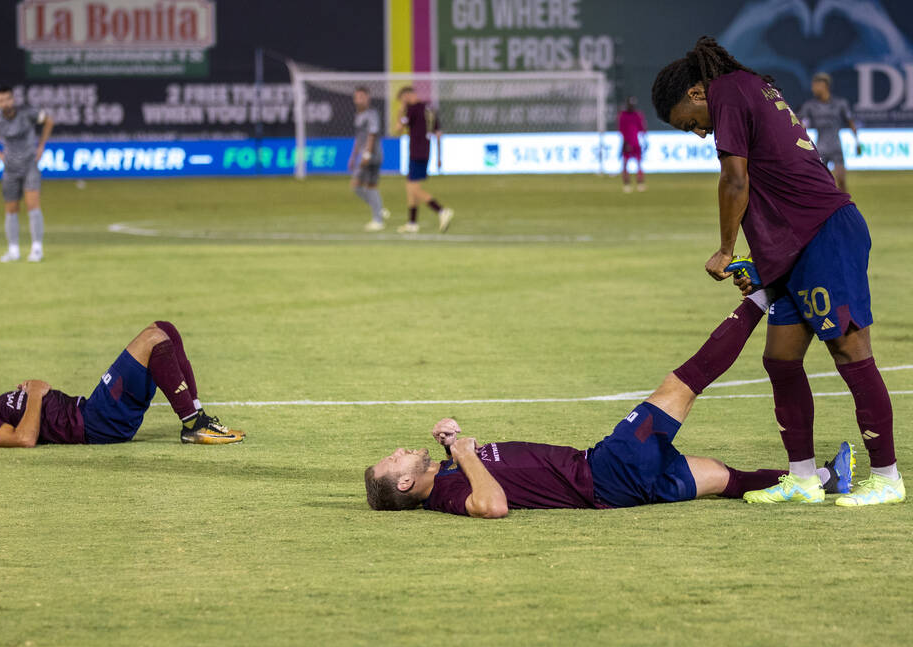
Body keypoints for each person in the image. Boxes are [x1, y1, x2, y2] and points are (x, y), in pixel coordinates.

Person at [650, 36, 902, 506]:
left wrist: (726, 249)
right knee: (780, 359)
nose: (699, 135)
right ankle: (804, 478)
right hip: (796, 238)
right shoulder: (749, 87)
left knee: (850, 351)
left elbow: (735, 179)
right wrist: (762, 261)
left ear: (695, 93)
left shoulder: (727, 92)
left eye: (690, 125)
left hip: (824, 232)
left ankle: (887, 478)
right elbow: (772, 183)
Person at [365, 285, 857, 516]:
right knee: (684, 381)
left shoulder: (451, 471)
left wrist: (455, 444)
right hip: (608, 469)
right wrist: (467, 452)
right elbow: (492, 506)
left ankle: (830, 480)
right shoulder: (449, 495)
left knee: (723, 477)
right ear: (405, 482)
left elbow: (491, 475)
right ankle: (763, 294)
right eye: (393, 461)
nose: (397, 451)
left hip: (613, 489)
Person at [0, 321, 244, 448]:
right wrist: (36, 393)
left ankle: (197, 416)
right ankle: (193, 426)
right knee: (154, 337)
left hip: (95, 412)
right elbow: (23, 439)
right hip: (95, 421)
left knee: (163, 329)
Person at [0, 86, 54, 263]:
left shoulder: (27, 113)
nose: (5, 103)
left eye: (7, 99)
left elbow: (48, 121)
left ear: (13, 99)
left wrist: (41, 146)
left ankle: (37, 248)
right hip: (10, 169)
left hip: (29, 165)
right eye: (1, 100)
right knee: (11, 210)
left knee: (33, 206)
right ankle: (13, 250)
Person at [393, 86, 453, 234]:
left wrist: (401, 110)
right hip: (426, 150)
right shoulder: (430, 108)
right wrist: (439, 157)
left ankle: (441, 210)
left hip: (416, 151)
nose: (403, 102)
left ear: (406, 96)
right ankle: (412, 223)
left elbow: (398, 129)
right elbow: (438, 133)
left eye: (402, 99)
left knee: (413, 188)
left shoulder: (412, 109)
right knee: (410, 186)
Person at [798, 73, 861, 193]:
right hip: (820, 149)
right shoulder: (810, 106)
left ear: (824, 85)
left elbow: (850, 122)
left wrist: (857, 142)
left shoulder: (840, 104)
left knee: (841, 180)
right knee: (819, 182)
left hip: (836, 147)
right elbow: (802, 125)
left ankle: (846, 208)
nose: (813, 89)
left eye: (815, 86)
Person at [348, 87, 389, 232]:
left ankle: (378, 220)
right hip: (363, 155)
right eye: (356, 97)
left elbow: (372, 135)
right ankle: (378, 208)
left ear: (367, 98)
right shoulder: (358, 115)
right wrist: (353, 157)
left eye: (361, 97)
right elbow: (359, 138)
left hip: (373, 155)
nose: (358, 100)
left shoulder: (372, 114)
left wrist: (366, 155)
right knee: (356, 186)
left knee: (371, 186)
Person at [618, 96, 647, 192]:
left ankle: (640, 183)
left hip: (636, 142)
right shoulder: (623, 116)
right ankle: (627, 184)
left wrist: (644, 139)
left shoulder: (637, 115)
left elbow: (642, 128)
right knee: (626, 163)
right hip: (627, 142)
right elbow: (621, 130)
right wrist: (625, 142)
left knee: (639, 163)